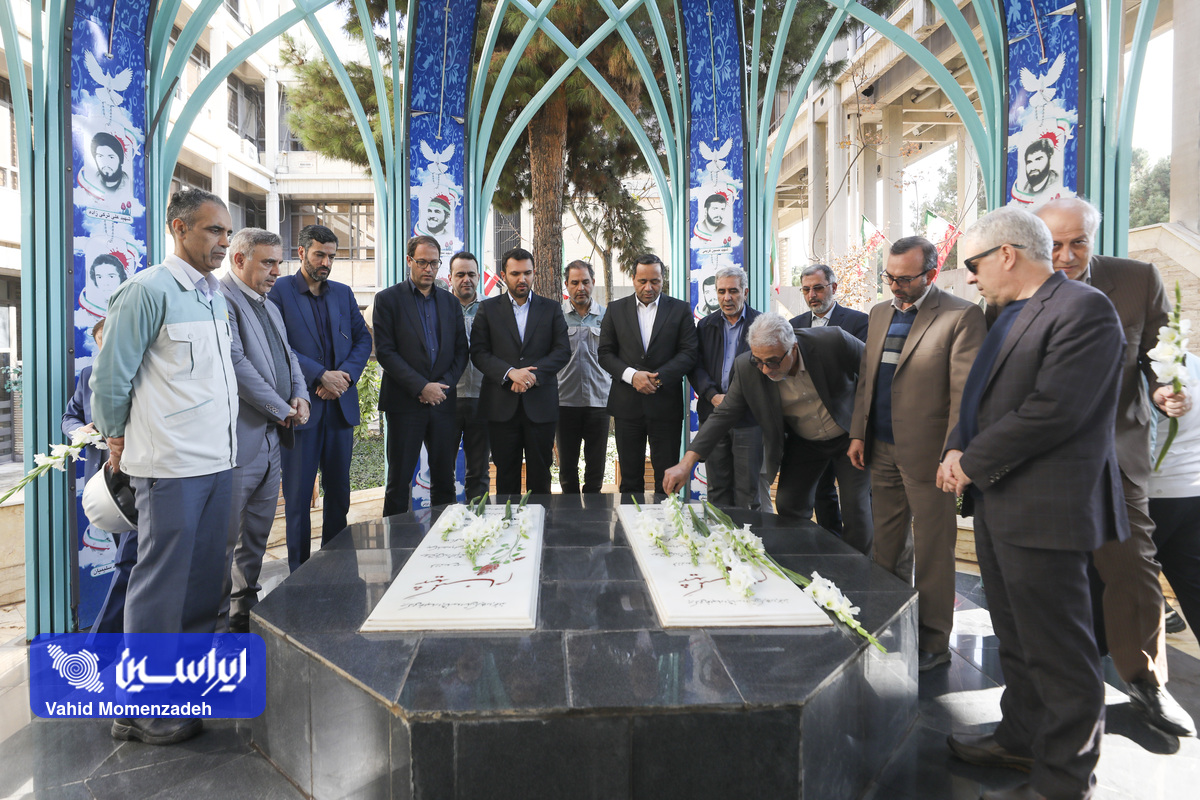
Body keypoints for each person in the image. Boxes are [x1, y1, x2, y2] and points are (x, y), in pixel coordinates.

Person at [939, 207, 1128, 800]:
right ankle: (1021, 738)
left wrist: (970, 461)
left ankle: (1064, 781)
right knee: (1017, 640)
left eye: (974, 265)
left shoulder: (1083, 309)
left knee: (1060, 652)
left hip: (1047, 510)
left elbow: (1054, 410)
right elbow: (980, 397)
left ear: (1007, 253)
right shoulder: (1006, 314)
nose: (971, 277)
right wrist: (955, 445)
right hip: (1002, 504)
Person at [1035, 197, 1195, 737]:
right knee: (1047, 576)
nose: (1066, 255)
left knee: (1133, 567)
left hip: (1115, 453)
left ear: (1094, 237)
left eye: (1078, 242)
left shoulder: (1137, 280)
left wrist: (1167, 390)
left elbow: (1160, 357)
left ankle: (1147, 681)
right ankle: (1047, 685)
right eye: (1055, 245)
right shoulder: (1018, 284)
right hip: (1040, 458)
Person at [90, 187, 240, 745]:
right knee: (160, 588)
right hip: (170, 467)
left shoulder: (213, 296)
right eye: (213, 230)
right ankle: (141, 708)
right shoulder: (147, 290)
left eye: (227, 232)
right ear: (179, 228)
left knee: (204, 586)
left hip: (219, 462)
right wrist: (117, 439)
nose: (223, 242)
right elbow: (111, 377)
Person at [848, 237, 986, 671]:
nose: (895, 286)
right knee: (886, 548)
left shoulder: (961, 316)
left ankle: (932, 641)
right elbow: (867, 380)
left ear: (931, 273)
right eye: (889, 277)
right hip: (880, 449)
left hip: (931, 456)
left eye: (905, 279)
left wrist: (954, 451)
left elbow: (965, 395)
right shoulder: (878, 313)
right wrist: (858, 434)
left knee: (933, 551)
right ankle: (890, 627)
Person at [663, 314, 873, 554]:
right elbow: (723, 415)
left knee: (855, 508)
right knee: (789, 503)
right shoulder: (747, 367)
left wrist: (861, 432)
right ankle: (803, 560)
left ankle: (859, 567)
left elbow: (873, 371)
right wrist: (686, 463)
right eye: (758, 361)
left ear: (793, 348)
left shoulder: (832, 341)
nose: (764, 370)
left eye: (772, 361)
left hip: (850, 435)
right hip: (805, 441)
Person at [218, 228, 310, 633]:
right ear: (239, 260)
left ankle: (244, 610)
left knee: (256, 532)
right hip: (239, 439)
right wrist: (280, 408)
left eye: (278, 262)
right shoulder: (220, 299)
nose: (276, 271)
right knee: (226, 537)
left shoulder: (269, 306)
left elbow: (290, 359)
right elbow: (236, 364)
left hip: (273, 438)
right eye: (268, 262)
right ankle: (218, 621)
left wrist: (301, 396)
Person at [268, 224, 372, 570]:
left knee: (339, 494)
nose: (325, 262)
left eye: (331, 256)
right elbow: (278, 345)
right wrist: (319, 375)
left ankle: (335, 568)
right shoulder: (278, 291)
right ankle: (299, 574)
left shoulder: (342, 293)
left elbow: (363, 339)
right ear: (301, 253)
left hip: (340, 408)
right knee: (298, 499)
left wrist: (343, 377)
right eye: (319, 255)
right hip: (303, 408)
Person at [373, 235, 468, 514]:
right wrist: (421, 387)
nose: (429, 269)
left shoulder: (450, 303)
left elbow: (461, 351)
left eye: (434, 263)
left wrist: (441, 387)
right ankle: (396, 539)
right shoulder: (387, 300)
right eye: (422, 262)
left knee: (445, 482)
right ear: (409, 261)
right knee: (398, 482)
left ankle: (444, 537)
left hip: (443, 403)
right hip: (404, 404)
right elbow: (386, 352)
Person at [469, 248, 569, 495]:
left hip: (541, 405)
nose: (522, 279)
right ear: (504, 275)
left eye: (527, 273)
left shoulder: (551, 308)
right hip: (501, 406)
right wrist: (510, 373)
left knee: (541, 476)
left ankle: (542, 519)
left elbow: (562, 351)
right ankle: (509, 519)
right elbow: (479, 352)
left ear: (534, 273)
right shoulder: (488, 309)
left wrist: (532, 376)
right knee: (506, 477)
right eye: (515, 274)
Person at [598, 254, 698, 494]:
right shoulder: (615, 309)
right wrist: (633, 376)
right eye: (642, 281)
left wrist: (657, 378)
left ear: (663, 279)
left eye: (655, 281)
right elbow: (605, 354)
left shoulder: (680, 309)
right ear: (633, 279)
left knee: (667, 481)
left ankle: (667, 520)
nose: (648, 287)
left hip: (665, 407)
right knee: (630, 481)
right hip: (626, 407)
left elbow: (689, 353)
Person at [790, 263, 869, 530]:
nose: (812, 295)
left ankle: (858, 550)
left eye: (818, 288)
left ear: (833, 287)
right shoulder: (793, 326)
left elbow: (864, 373)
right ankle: (831, 544)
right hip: (812, 430)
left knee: (855, 501)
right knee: (821, 494)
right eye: (806, 290)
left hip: (847, 425)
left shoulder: (858, 322)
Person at [689, 265, 764, 509]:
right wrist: (712, 395)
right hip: (714, 414)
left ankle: (747, 534)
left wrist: (736, 400)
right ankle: (719, 533)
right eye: (721, 291)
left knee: (747, 492)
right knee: (717, 490)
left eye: (733, 291)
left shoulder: (762, 325)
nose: (727, 297)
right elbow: (696, 366)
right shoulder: (705, 325)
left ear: (745, 292)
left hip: (748, 418)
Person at [1149, 353, 1200, 648]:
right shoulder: (1192, 361)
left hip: (1154, 495)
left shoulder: (1153, 369)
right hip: (1191, 490)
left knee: (1118, 582)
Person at [557, 260, 611, 494]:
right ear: (566, 284)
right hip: (564, 401)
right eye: (575, 282)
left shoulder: (607, 317)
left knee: (596, 468)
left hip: (599, 401)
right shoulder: (557, 317)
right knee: (567, 468)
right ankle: (568, 514)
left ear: (593, 283)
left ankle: (595, 512)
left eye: (585, 282)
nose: (581, 288)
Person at [448, 251, 490, 500]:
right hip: (446, 399)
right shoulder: (440, 307)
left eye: (471, 274)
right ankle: (444, 520)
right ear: (450, 277)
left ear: (478, 277)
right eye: (460, 274)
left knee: (479, 472)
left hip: (482, 399)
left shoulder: (492, 309)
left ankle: (479, 519)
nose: (466, 279)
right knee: (443, 470)